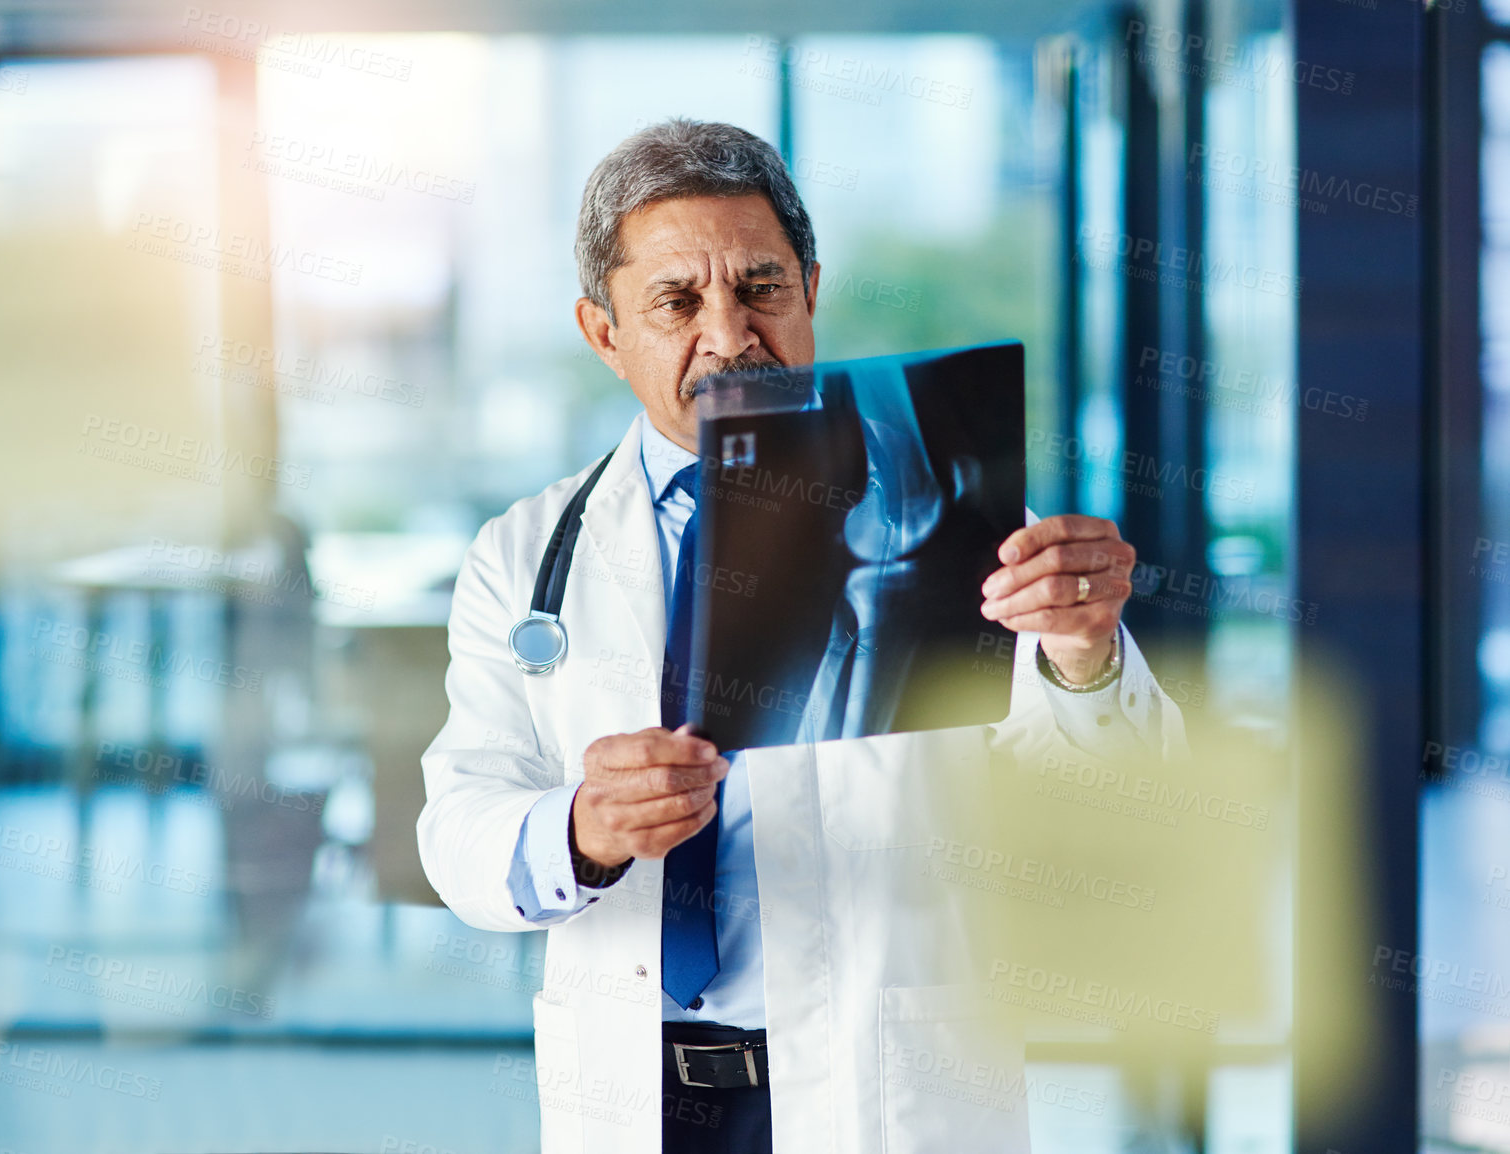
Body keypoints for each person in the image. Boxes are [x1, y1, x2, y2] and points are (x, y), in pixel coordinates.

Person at [418, 118, 1183, 1154]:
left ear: (810, 290)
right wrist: (581, 830)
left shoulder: (969, 534)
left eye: (761, 286)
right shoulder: (523, 554)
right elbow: (458, 829)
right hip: (639, 1090)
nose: (730, 334)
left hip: (885, 1089)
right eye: (676, 301)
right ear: (603, 332)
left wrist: (1084, 657)